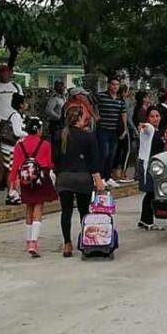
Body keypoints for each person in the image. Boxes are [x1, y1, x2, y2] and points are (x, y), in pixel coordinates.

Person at [53, 105, 105, 258]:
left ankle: (67, 244)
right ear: (81, 119)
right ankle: (86, 240)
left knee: (66, 212)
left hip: (64, 177)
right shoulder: (88, 136)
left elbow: (54, 158)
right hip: (83, 177)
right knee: (84, 211)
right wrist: (99, 180)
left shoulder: (59, 135)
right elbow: (94, 161)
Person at [9, 118, 58, 257]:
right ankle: (33, 242)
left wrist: (12, 184)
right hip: (40, 178)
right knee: (38, 207)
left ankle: (28, 239)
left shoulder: (20, 145)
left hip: (25, 178)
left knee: (29, 207)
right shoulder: (45, 144)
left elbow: (15, 166)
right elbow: (49, 164)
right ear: (37, 129)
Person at [137, 106, 167, 230]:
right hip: (147, 164)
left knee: (152, 193)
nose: (155, 119)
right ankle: (146, 220)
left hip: (156, 165)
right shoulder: (149, 129)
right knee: (151, 192)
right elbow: (145, 128)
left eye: (157, 116)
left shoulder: (160, 131)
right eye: (152, 116)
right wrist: (143, 126)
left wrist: (166, 140)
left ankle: (145, 219)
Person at [95, 77, 128, 188]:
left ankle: (108, 177)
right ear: (109, 85)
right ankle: (101, 177)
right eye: (113, 84)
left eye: (117, 85)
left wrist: (125, 128)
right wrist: (95, 115)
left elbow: (123, 114)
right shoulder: (101, 96)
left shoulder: (120, 100)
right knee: (104, 153)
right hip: (103, 128)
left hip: (114, 130)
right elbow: (91, 103)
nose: (115, 87)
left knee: (112, 155)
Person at [1, 93, 29, 205]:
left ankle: (11, 193)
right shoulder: (16, 116)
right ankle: (11, 194)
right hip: (10, 148)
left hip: (8, 147)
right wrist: (28, 134)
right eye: (25, 102)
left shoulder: (15, 115)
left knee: (11, 171)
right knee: (12, 171)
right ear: (21, 105)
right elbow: (17, 132)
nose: (27, 105)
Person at [112, 84, 134, 183]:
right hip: (123, 128)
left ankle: (115, 172)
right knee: (126, 151)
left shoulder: (115, 101)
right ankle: (123, 173)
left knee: (117, 151)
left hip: (116, 128)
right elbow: (128, 117)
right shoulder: (124, 102)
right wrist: (132, 129)